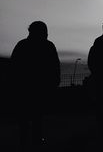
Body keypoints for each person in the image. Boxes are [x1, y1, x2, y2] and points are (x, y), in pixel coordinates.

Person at [11, 21, 61, 149]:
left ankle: (25, 144)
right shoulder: (48, 46)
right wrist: (54, 84)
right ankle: (36, 143)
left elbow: (13, 68)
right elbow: (55, 68)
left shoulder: (21, 45)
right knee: (37, 118)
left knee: (24, 121)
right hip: (40, 89)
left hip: (23, 89)